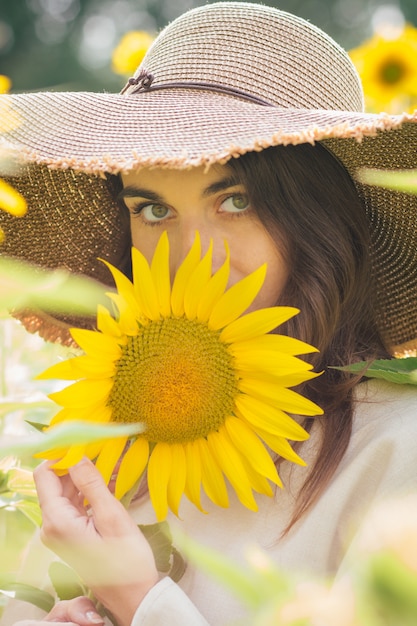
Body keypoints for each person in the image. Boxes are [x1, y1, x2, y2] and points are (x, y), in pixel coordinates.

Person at [1, 2, 417, 624]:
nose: (192, 259)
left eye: (236, 199)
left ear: (322, 219)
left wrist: (144, 605)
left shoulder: (396, 451)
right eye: (153, 210)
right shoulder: (114, 437)